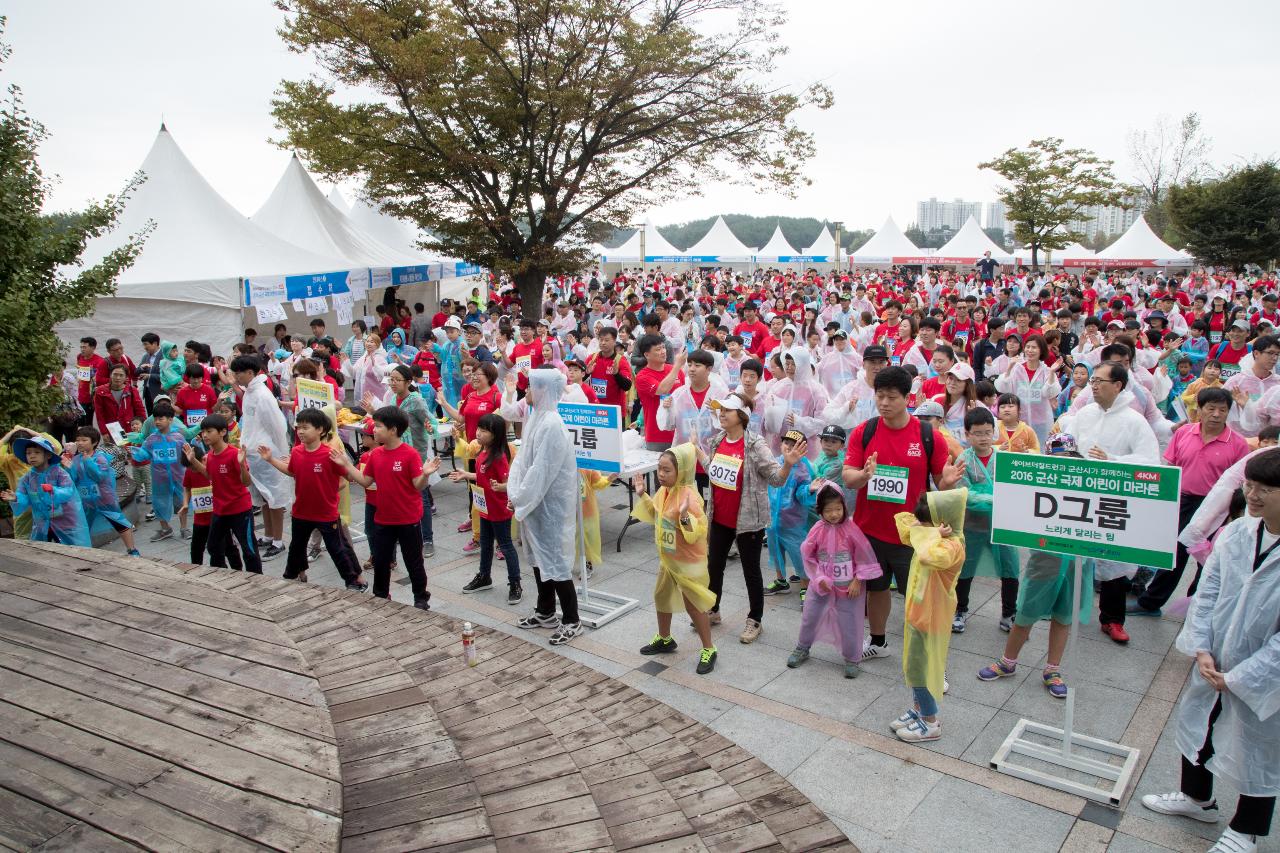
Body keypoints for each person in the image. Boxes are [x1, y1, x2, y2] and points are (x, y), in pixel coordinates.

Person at [1141, 448, 1280, 853]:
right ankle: (1197, 798)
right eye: (1249, 486)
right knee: (1198, 721)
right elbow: (1208, 591)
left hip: (1262, 669)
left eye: (1266, 490)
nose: (1252, 497)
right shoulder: (1239, 532)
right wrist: (1202, 648)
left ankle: (1248, 828)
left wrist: (1241, 676)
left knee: (1259, 741)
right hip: (1215, 656)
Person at [842, 366, 964, 660]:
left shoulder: (927, 435)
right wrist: (864, 476)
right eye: (879, 396)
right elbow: (848, 477)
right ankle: (879, 642)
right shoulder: (865, 430)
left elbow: (940, 484)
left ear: (908, 398)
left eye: (891, 397)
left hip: (912, 534)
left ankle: (932, 663)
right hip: (870, 530)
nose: (884, 403)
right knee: (877, 589)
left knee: (921, 598)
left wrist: (946, 482)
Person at [978, 433, 1093, 699]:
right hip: (1045, 559)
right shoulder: (1039, 485)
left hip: (1078, 561)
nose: (1064, 464)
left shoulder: (1088, 487)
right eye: (1057, 459)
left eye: (1069, 458)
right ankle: (1008, 661)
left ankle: (1052, 670)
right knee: (1026, 612)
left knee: (1064, 615)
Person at [1056, 360, 1161, 644]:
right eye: (1092, 381)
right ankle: (1065, 609)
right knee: (1072, 554)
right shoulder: (1086, 412)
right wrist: (1058, 450)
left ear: (1118, 385)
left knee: (1113, 560)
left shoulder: (1134, 421)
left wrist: (1113, 460)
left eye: (1099, 381)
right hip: (1079, 496)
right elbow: (1066, 441)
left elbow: (1151, 461)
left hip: (1112, 502)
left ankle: (1112, 619)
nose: (1094, 386)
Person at [697, 392, 808, 644]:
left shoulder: (755, 444)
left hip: (748, 521)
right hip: (719, 518)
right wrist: (697, 451)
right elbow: (714, 471)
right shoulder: (717, 441)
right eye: (720, 410)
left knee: (751, 572)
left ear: (742, 416)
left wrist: (788, 464)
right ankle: (713, 610)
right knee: (714, 566)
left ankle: (755, 619)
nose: (721, 414)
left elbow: (776, 479)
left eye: (727, 410)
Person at [1129, 388, 1249, 616]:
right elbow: (1170, 469)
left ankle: (1198, 606)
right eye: (1211, 408)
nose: (1216, 414)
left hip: (1216, 507)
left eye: (1222, 410)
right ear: (1199, 409)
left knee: (1209, 557)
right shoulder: (1184, 433)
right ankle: (1151, 603)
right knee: (1174, 553)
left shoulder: (1238, 444)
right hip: (1182, 501)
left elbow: (1241, 483)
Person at [331, 406, 438, 608]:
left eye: (378, 427)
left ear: (393, 430)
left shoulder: (410, 454)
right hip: (383, 519)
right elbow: (365, 480)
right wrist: (346, 464)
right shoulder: (376, 455)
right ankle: (380, 595)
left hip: (408, 520)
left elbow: (418, 486)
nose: (374, 431)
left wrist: (425, 474)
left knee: (413, 561)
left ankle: (420, 598)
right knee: (381, 561)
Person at [631, 443, 719, 675]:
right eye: (660, 469)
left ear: (682, 471)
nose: (661, 474)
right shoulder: (665, 491)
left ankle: (709, 648)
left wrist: (684, 517)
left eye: (667, 470)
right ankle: (665, 638)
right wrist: (643, 495)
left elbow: (697, 532)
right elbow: (656, 515)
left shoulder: (690, 497)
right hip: (669, 559)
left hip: (688, 563)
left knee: (694, 607)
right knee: (661, 596)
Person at [257, 407, 367, 591]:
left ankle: (352, 581)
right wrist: (270, 460)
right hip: (301, 511)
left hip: (326, 513)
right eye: (298, 427)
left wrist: (350, 468)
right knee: (296, 547)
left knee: (337, 549)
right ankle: (291, 575)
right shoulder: (298, 452)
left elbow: (346, 479)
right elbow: (291, 472)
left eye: (305, 427)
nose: (300, 431)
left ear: (320, 430)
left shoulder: (329, 454)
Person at [510, 369, 582, 646]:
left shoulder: (552, 423)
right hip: (534, 502)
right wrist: (517, 492)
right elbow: (522, 461)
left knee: (557, 561)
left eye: (531, 386)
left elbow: (542, 470)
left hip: (550, 505)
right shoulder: (536, 418)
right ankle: (546, 611)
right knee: (540, 559)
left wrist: (520, 496)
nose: (526, 391)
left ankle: (572, 619)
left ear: (544, 390)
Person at [890, 488, 967, 744]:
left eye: (926, 523)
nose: (919, 528)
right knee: (913, 668)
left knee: (923, 671)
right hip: (918, 614)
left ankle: (931, 721)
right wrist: (927, 529)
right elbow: (903, 526)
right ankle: (920, 710)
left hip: (932, 618)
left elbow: (926, 555)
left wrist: (931, 535)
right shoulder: (936, 537)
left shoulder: (951, 546)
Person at [788, 484, 882, 678]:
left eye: (838, 509)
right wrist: (818, 577)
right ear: (820, 510)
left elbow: (864, 556)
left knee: (851, 623)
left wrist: (858, 580)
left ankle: (852, 658)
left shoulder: (851, 529)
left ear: (844, 507)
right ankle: (802, 647)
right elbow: (808, 554)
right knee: (810, 616)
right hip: (821, 586)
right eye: (828, 510)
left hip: (849, 588)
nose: (833, 514)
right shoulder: (817, 529)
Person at [952, 407, 1020, 633]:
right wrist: (994, 498)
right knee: (965, 566)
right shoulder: (964, 459)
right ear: (967, 434)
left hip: (1002, 523)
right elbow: (965, 493)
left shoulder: (1003, 457)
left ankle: (1009, 613)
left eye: (988, 432)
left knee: (1010, 566)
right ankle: (960, 610)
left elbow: (1013, 488)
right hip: (973, 524)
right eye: (978, 433)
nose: (983, 438)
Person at [451, 413, 523, 604]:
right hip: (484, 508)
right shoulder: (482, 453)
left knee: (506, 545)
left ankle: (515, 583)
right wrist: (466, 474)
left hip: (499, 510)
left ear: (496, 434)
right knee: (485, 542)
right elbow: (481, 476)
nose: (479, 433)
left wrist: (501, 487)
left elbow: (510, 483)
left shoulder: (499, 457)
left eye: (484, 431)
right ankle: (484, 576)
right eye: (478, 429)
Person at [182, 414, 262, 574]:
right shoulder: (210, 456)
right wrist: (194, 461)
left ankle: (257, 579)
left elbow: (246, 482)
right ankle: (223, 576)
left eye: (209, 431)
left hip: (240, 510)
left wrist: (241, 466)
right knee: (213, 546)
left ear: (222, 432)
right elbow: (210, 476)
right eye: (203, 431)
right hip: (220, 510)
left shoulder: (234, 454)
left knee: (249, 549)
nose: (204, 435)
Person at [232, 355, 292, 560]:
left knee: (275, 498)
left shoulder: (263, 395)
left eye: (238, 372)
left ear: (250, 372)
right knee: (264, 498)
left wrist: (283, 453)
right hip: (253, 454)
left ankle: (278, 541)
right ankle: (267, 535)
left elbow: (277, 426)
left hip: (268, 453)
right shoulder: (250, 392)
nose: (236, 376)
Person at [1, 434, 89, 547]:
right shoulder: (27, 478)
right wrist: (16, 498)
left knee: (71, 551)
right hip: (42, 523)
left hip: (65, 521)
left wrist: (54, 490)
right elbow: (23, 495)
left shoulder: (59, 473)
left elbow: (68, 491)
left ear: (48, 455)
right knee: (44, 552)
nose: (32, 456)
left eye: (36, 452)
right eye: (28, 453)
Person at [67, 426, 141, 556]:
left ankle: (132, 549)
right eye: (78, 440)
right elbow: (72, 479)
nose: (80, 443)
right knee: (84, 526)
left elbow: (99, 476)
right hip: (86, 500)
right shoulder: (75, 460)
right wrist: (67, 465)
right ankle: (84, 552)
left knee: (119, 522)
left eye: (84, 440)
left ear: (94, 442)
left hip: (104, 499)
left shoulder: (101, 458)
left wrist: (88, 462)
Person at [763, 429, 817, 598]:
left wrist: (809, 489)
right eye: (787, 443)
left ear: (803, 449)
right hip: (773, 520)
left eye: (795, 446)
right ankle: (781, 581)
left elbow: (802, 495)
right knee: (775, 550)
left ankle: (805, 586)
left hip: (793, 523)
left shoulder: (804, 468)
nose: (789, 448)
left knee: (799, 554)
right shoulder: (775, 462)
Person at [181, 444, 242, 569]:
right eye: (189, 467)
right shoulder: (189, 473)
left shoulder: (212, 469)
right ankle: (195, 572)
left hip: (218, 518)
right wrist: (186, 504)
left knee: (224, 547)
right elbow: (187, 488)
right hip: (199, 520)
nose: (193, 469)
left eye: (193, 466)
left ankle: (236, 570)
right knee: (196, 549)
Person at [635, 334, 686, 451]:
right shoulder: (642, 376)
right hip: (657, 436)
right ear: (646, 355)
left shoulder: (674, 370)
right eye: (658, 349)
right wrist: (677, 366)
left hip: (680, 433)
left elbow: (684, 397)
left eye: (663, 347)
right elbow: (663, 390)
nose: (663, 351)